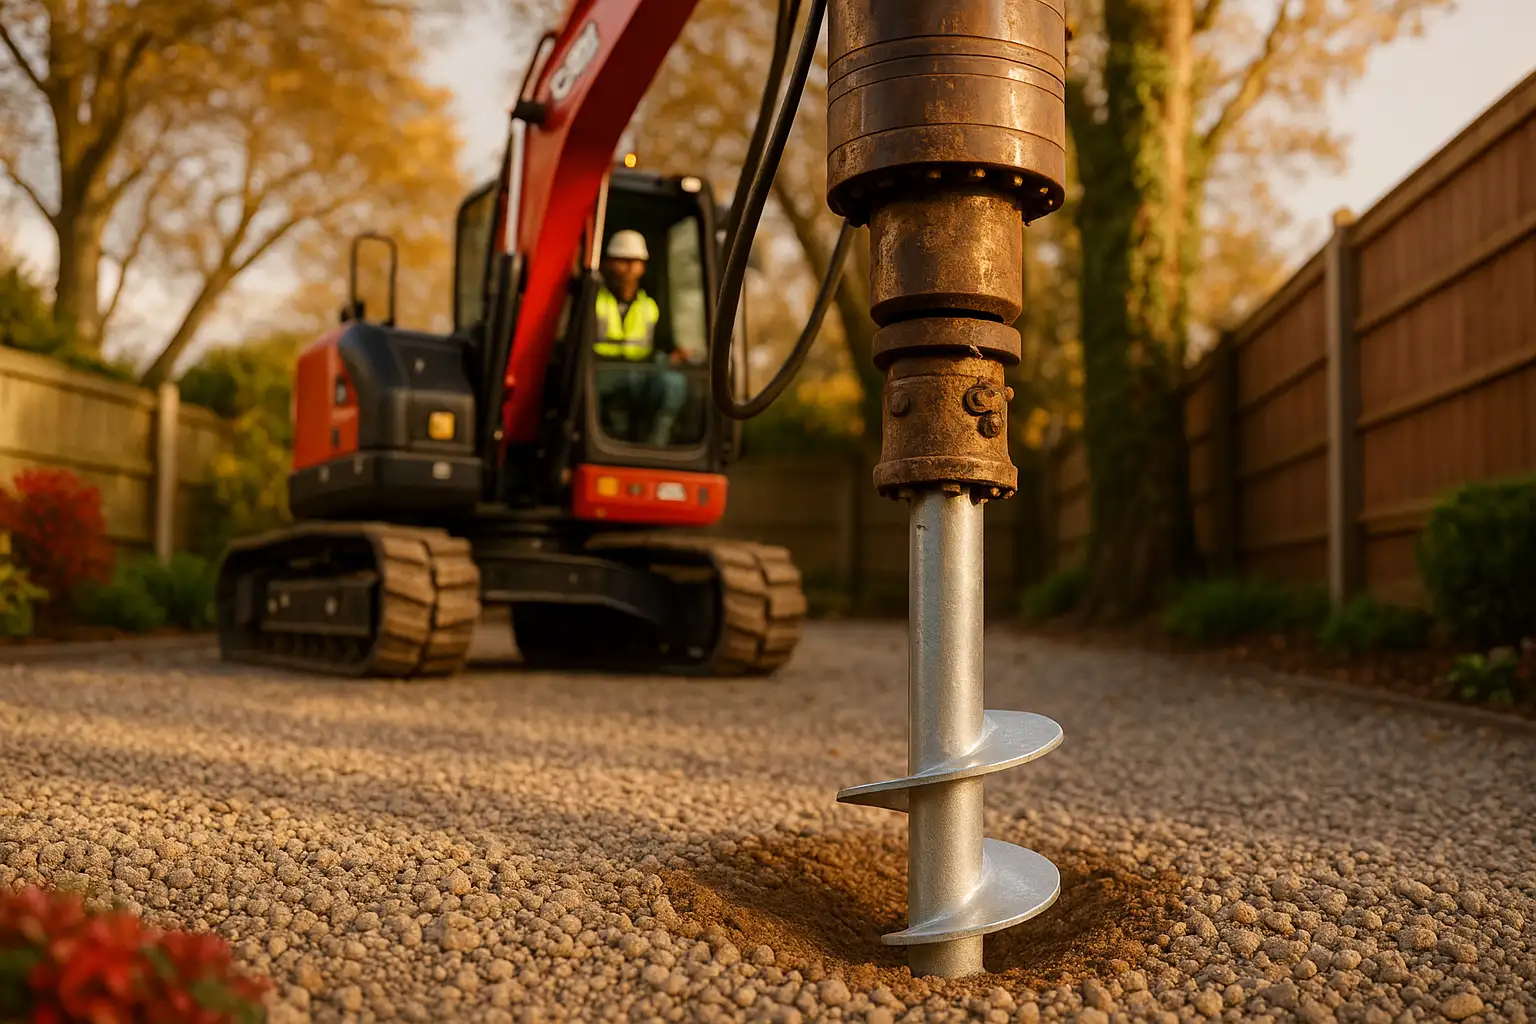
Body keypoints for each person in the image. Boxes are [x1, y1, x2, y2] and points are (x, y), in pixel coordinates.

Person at [593, 230, 689, 445]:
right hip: (599, 377)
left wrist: (676, 355)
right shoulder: (591, 301)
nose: (627, 268)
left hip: (639, 376)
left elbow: (665, 345)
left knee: (672, 383)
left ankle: (655, 449)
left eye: (633, 262)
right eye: (622, 261)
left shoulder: (650, 308)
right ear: (608, 264)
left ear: (642, 267)